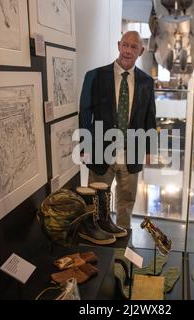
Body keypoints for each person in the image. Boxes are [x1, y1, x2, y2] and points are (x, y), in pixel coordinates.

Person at [79, 31, 157, 230]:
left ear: (141, 51)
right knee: (97, 204)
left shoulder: (147, 82)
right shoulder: (95, 76)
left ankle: (121, 246)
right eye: (125, 45)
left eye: (133, 47)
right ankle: (97, 240)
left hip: (132, 153)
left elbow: (150, 116)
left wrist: (150, 150)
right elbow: (85, 113)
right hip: (100, 151)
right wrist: (84, 145)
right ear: (118, 45)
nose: (128, 51)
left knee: (126, 204)